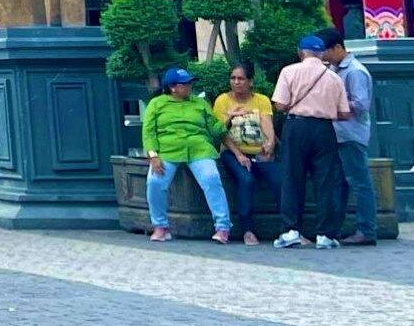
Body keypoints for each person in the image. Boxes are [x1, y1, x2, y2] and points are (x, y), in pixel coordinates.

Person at [271, 35, 349, 251]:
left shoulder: (289, 71)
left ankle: (290, 231)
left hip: (296, 126)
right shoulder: (334, 77)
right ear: (322, 54)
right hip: (324, 129)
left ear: (300, 52)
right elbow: (344, 113)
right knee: (325, 182)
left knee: (291, 178)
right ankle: (325, 234)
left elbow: (279, 105)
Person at [140, 67, 230, 244]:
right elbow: (148, 132)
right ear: (173, 87)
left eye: (190, 83)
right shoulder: (156, 104)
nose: (190, 86)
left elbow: (214, 129)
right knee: (155, 182)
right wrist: (153, 155)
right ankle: (160, 226)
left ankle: (223, 227)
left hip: (199, 149)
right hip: (168, 150)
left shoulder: (200, 103)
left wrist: (229, 119)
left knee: (212, 178)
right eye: (185, 84)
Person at [322, 28, 379, 246]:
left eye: (326, 51)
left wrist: (334, 104)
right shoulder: (334, 69)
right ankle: (337, 229)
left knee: (360, 183)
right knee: (340, 183)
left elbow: (361, 104)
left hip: (351, 134)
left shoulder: (355, 71)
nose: (323, 56)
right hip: (338, 134)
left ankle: (367, 230)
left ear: (337, 47)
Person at [211, 62, 277, 244]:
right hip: (232, 152)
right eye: (233, 78)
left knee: (279, 179)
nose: (236, 82)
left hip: (259, 151)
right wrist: (239, 154)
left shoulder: (261, 100)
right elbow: (219, 132)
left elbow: (267, 123)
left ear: (250, 81)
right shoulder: (222, 100)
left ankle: (291, 229)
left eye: (241, 78)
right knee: (246, 179)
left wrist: (270, 143)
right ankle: (248, 230)